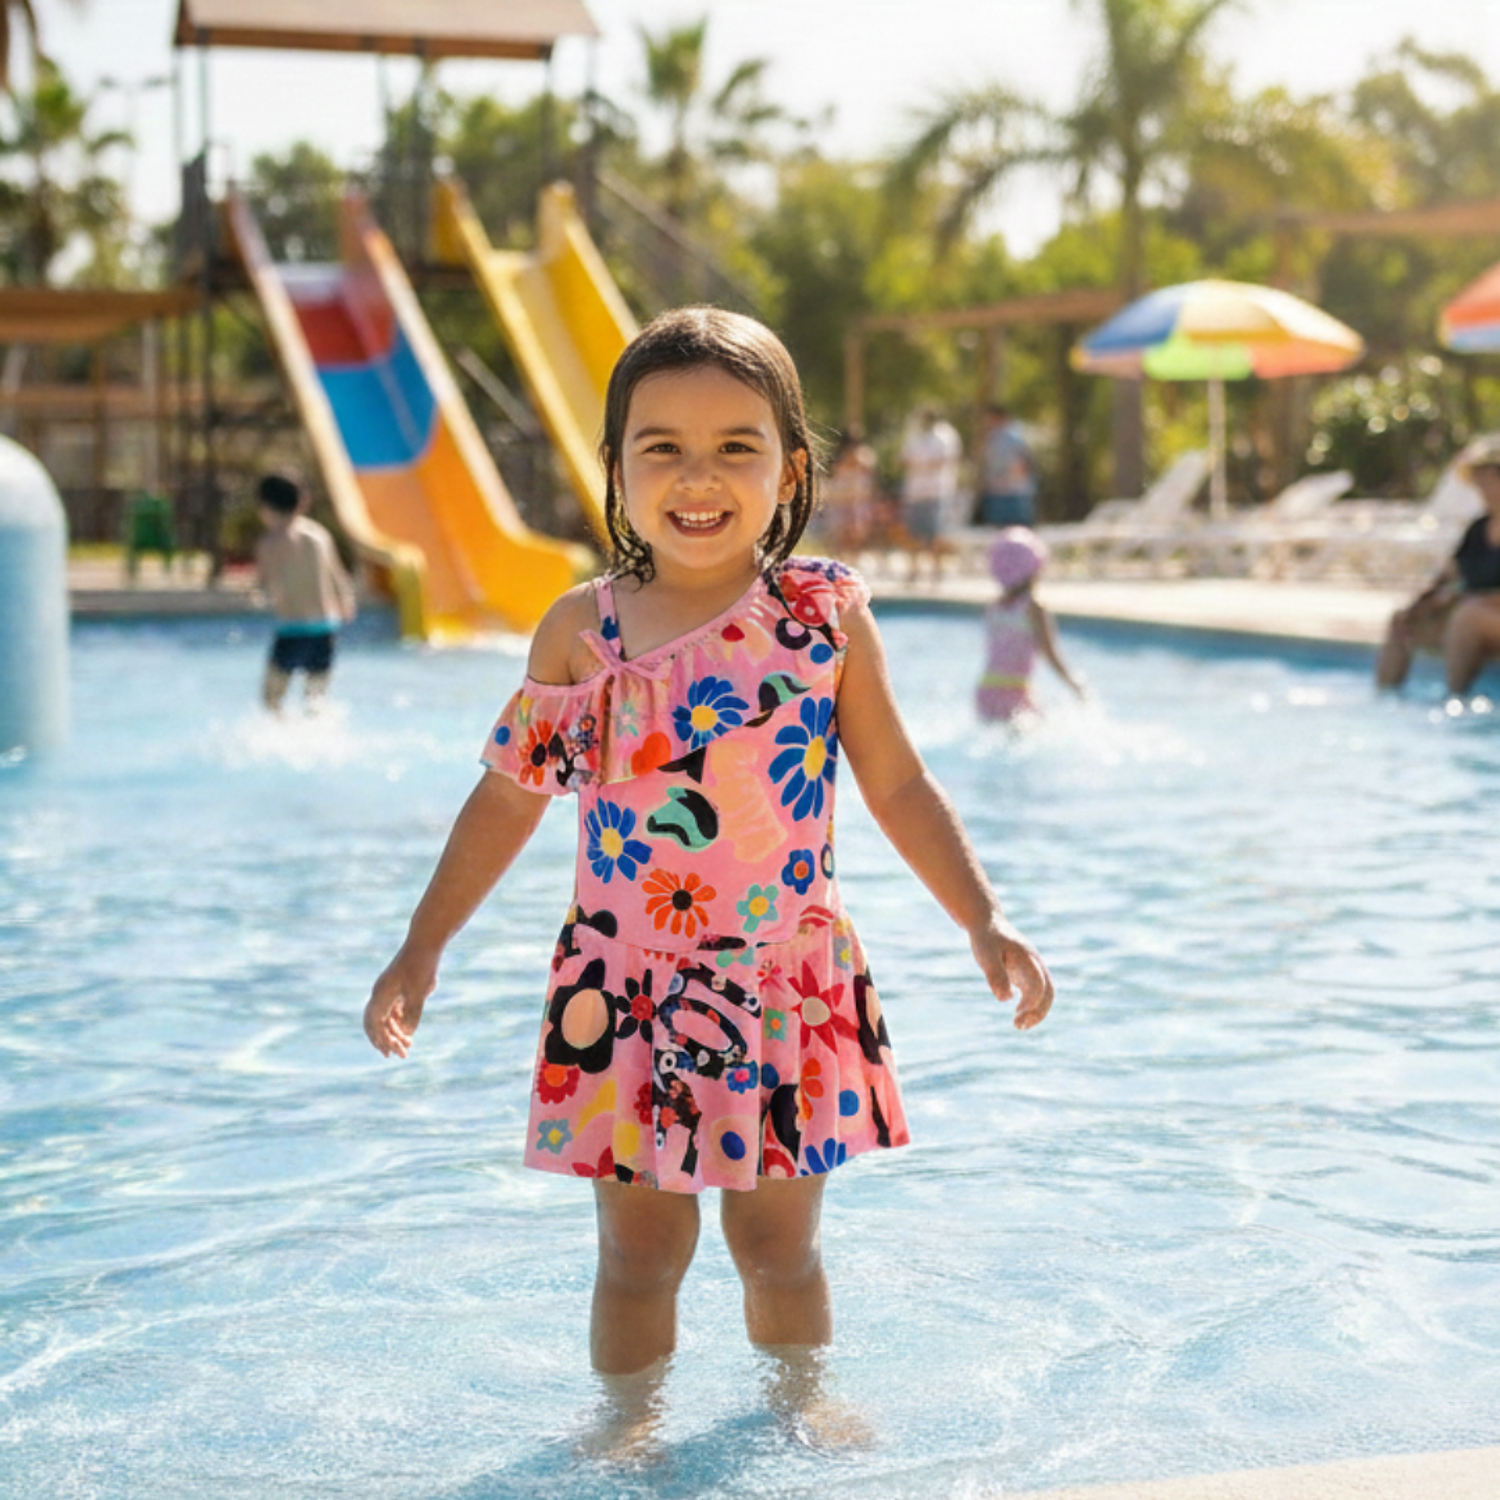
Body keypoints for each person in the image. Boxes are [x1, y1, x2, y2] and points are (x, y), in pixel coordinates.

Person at [363, 308, 1054, 1433]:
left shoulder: (822, 619)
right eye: (663, 448)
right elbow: (508, 797)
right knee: (640, 1255)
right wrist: (422, 944)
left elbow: (897, 783)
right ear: (617, 469)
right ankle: (627, 1425)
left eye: (737, 446)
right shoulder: (584, 633)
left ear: (790, 470)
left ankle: (798, 1402)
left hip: (787, 981)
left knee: (780, 1247)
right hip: (627, 990)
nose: (699, 476)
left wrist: (982, 918)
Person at [1376, 434, 1500, 696]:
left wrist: (1474, 602)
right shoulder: (1478, 529)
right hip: (1473, 614)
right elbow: (1449, 575)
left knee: (1466, 618)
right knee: (1402, 622)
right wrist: (1420, 605)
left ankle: (1454, 702)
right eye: (1478, 478)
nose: (1481, 485)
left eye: (1488, 477)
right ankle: (1385, 701)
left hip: (1481, 616)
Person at [254, 473, 357, 712]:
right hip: (324, 629)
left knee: (271, 699)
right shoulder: (319, 536)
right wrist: (346, 603)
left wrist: (256, 595)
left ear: (266, 508)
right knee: (316, 699)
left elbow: (264, 585)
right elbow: (339, 576)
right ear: (301, 503)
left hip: (291, 631)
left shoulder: (269, 544)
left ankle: (281, 736)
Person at [977, 527, 1085, 721]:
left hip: (986, 690)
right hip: (1016, 690)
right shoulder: (1034, 609)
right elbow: (1049, 653)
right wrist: (1074, 683)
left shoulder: (994, 607)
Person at [898, 405, 962, 583]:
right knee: (913, 533)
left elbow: (944, 460)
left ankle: (936, 570)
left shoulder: (946, 436)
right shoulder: (914, 435)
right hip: (915, 491)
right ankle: (913, 570)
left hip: (937, 491)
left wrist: (921, 465)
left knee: (936, 533)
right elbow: (904, 459)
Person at [820, 429, 877, 560]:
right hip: (840, 500)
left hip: (857, 500)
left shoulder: (864, 455)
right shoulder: (838, 457)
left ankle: (852, 559)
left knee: (857, 534)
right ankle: (841, 558)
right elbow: (833, 473)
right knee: (840, 534)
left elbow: (868, 469)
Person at [977, 403, 1037, 528]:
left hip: (1015, 492)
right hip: (997, 491)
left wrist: (1012, 477)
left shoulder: (1016, 435)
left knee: (1019, 530)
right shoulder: (992, 437)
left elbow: (1024, 462)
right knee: (999, 532)